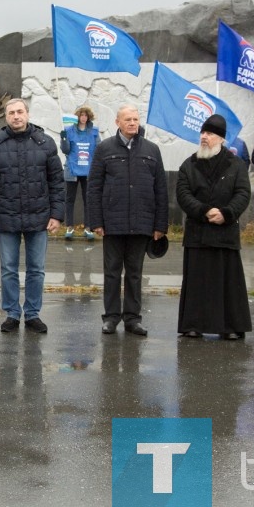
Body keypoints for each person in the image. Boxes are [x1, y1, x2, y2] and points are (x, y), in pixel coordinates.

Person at [0, 99, 64, 334]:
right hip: (6, 219)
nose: (16, 116)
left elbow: (57, 182)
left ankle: (33, 313)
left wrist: (57, 214)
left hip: (39, 218)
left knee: (36, 269)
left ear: (27, 114)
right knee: (8, 269)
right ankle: (12, 313)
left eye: (20, 112)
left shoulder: (45, 143)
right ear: (5, 117)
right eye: (11, 113)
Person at [86, 104, 168, 336]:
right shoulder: (104, 149)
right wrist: (96, 221)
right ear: (118, 123)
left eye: (135, 119)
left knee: (134, 273)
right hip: (113, 222)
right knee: (112, 272)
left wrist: (160, 225)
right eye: (128, 119)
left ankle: (133, 318)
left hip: (142, 223)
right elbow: (94, 187)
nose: (133, 123)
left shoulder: (152, 150)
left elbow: (161, 189)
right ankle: (111, 317)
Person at [175, 114, 252, 340]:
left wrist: (226, 213)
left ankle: (229, 326)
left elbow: (242, 193)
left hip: (224, 233)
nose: (204, 138)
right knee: (197, 282)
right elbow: (183, 193)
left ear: (220, 138)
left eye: (209, 134)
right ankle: (193, 324)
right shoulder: (189, 164)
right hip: (198, 233)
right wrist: (204, 210)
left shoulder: (236, 165)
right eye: (203, 133)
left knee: (227, 283)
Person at [60, 105, 99, 240]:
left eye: (85, 115)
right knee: (69, 199)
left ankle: (88, 228)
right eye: (81, 115)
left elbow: (98, 150)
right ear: (77, 117)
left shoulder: (94, 132)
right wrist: (64, 139)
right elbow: (65, 150)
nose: (83, 117)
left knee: (88, 200)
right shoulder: (69, 131)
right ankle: (69, 227)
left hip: (88, 171)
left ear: (88, 117)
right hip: (72, 170)